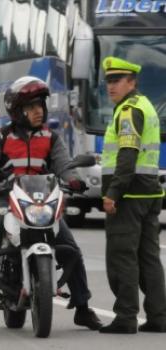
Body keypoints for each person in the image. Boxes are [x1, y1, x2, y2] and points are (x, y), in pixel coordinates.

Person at [0, 76, 102, 330]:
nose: (38, 111)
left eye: (40, 106)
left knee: (69, 248)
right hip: (6, 198)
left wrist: (74, 180)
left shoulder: (51, 138)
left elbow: (64, 165)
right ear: (18, 111)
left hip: (41, 200)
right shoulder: (0, 137)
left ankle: (83, 307)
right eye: (31, 107)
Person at [99, 56, 166, 334]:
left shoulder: (128, 111)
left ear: (132, 82)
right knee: (148, 257)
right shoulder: (145, 105)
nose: (111, 87)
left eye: (117, 81)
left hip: (129, 197)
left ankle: (126, 317)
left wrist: (113, 192)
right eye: (109, 82)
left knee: (122, 257)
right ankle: (159, 317)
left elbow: (128, 154)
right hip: (149, 193)